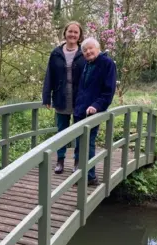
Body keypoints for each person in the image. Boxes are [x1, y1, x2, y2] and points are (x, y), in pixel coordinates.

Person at [42, 21, 86, 174]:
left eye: (76, 32)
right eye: (70, 31)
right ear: (65, 33)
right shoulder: (56, 53)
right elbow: (49, 76)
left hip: (79, 98)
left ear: (79, 36)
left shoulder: (84, 53)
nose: (73, 34)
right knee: (62, 131)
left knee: (79, 130)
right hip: (61, 96)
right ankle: (60, 161)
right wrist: (46, 97)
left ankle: (77, 161)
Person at [73, 37, 117, 185]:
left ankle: (89, 175)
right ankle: (81, 173)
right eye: (85, 50)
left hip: (92, 111)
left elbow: (108, 91)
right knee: (79, 143)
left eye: (91, 48)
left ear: (98, 48)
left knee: (88, 142)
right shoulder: (87, 64)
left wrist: (97, 106)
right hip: (80, 110)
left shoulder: (107, 64)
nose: (88, 52)